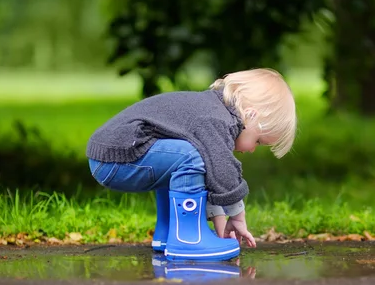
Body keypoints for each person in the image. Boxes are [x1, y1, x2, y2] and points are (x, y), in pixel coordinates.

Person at [86, 68, 297, 261]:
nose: (252, 149)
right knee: (191, 156)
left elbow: (212, 173)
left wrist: (222, 227)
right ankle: (188, 240)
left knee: (190, 156)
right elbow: (222, 170)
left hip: (115, 155)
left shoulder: (213, 110)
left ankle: (168, 233)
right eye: (258, 141)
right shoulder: (216, 120)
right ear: (251, 116)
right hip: (118, 158)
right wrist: (238, 215)